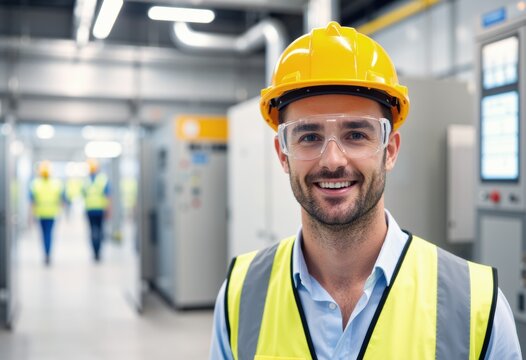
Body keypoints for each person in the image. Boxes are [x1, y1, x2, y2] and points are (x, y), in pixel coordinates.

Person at [210, 22, 521, 359]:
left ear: (390, 149)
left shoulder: (476, 305)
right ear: (283, 154)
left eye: (356, 134)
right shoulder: (240, 297)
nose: (332, 160)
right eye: (309, 136)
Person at [30, 160, 64, 265]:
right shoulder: (56, 183)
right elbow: (61, 200)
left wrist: (31, 215)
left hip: (40, 213)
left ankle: (46, 253)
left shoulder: (35, 183)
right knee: (49, 234)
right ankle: (48, 254)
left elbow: (32, 201)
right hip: (52, 213)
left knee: (43, 234)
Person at [83, 158, 110, 262]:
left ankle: (95, 252)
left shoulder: (86, 181)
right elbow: (108, 196)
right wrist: (108, 209)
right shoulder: (103, 179)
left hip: (90, 210)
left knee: (93, 232)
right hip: (100, 210)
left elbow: (84, 195)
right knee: (99, 231)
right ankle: (98, 252)